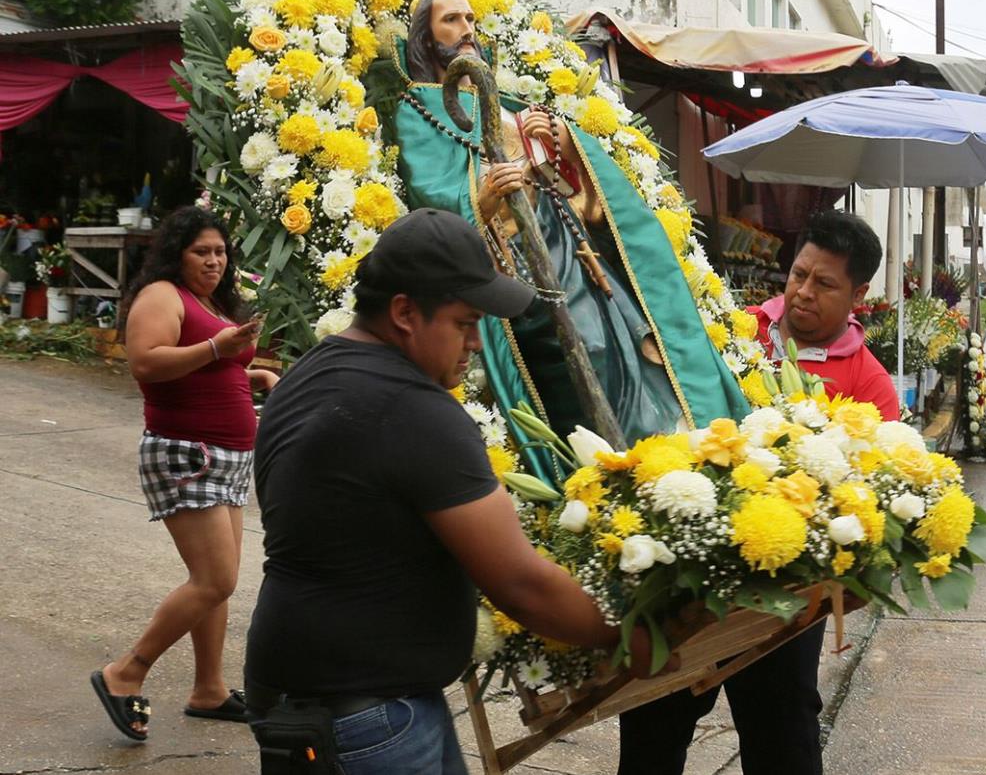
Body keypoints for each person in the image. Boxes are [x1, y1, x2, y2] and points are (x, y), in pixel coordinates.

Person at [244, 209, 644, 774]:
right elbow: (521, 584)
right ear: (405, 311)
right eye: (464, 322)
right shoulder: (413, 409)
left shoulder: (310, 372)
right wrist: (636, 636)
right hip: (370, 720)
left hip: (306, 693)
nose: (477, 342)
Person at [390, 0, 748, 464]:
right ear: (425, 39)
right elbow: (432, 193)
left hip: (574, 249)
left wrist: (561, 142)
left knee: (637, 351)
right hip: (518, 265)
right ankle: (616, 464)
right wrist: (488, 193)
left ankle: (663, 447)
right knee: (586, 349)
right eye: (451, 20)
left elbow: (568, 190)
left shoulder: (506, 104)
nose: (467, 29)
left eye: (471, 19)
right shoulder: (419, 111)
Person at [617, 210, 899, 775]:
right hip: (685, 580)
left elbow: (870, 507)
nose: (802, 293)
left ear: (859, 294)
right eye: (798, 275)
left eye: (824, 284)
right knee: (653, 724)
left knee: (782, 737)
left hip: (783, 605)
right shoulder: (734, 333)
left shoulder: (871, 388)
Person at [90, 206, 279, 742]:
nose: (214, 260)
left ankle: (209, 690)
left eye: (220, 251)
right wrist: (222, 345)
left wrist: (252, 369)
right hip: (185, 454)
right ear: (178, 253)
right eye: (203, 251)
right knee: (216, 579)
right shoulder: (161, 296)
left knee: (215, 585)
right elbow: (146, 362)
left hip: (227, 457)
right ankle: (125, 673)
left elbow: (210, 365)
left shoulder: (207, 302)